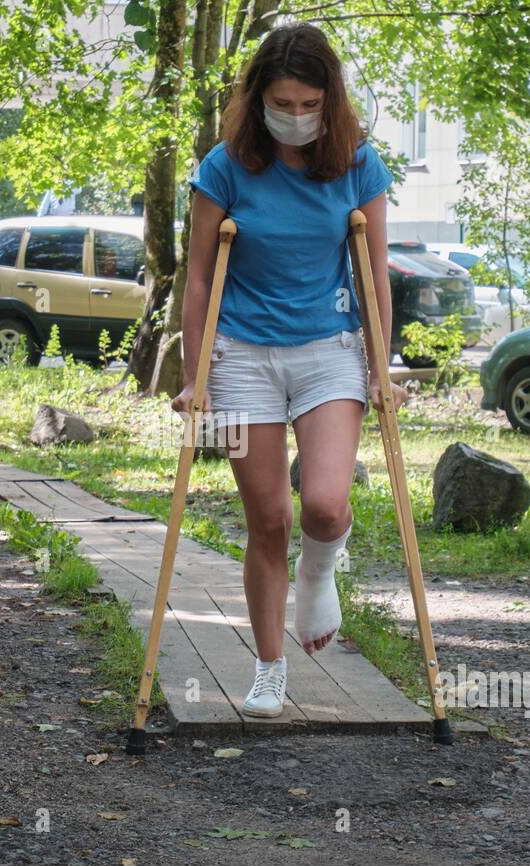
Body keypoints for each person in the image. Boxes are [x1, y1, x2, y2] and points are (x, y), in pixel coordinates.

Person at [172, 22, 409, 718]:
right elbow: (198, 278)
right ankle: (270, 666)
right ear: (258, 98)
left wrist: (379, 365)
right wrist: (195, 376)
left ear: (329, 102)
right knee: (268, 517)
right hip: (240, 357)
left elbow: (374, 275)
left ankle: (319, 571)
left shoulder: (359, 164)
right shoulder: (224, 167)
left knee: (326, 505)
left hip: (329, 353)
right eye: (284, 103)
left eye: (310, 105)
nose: (297, 117)